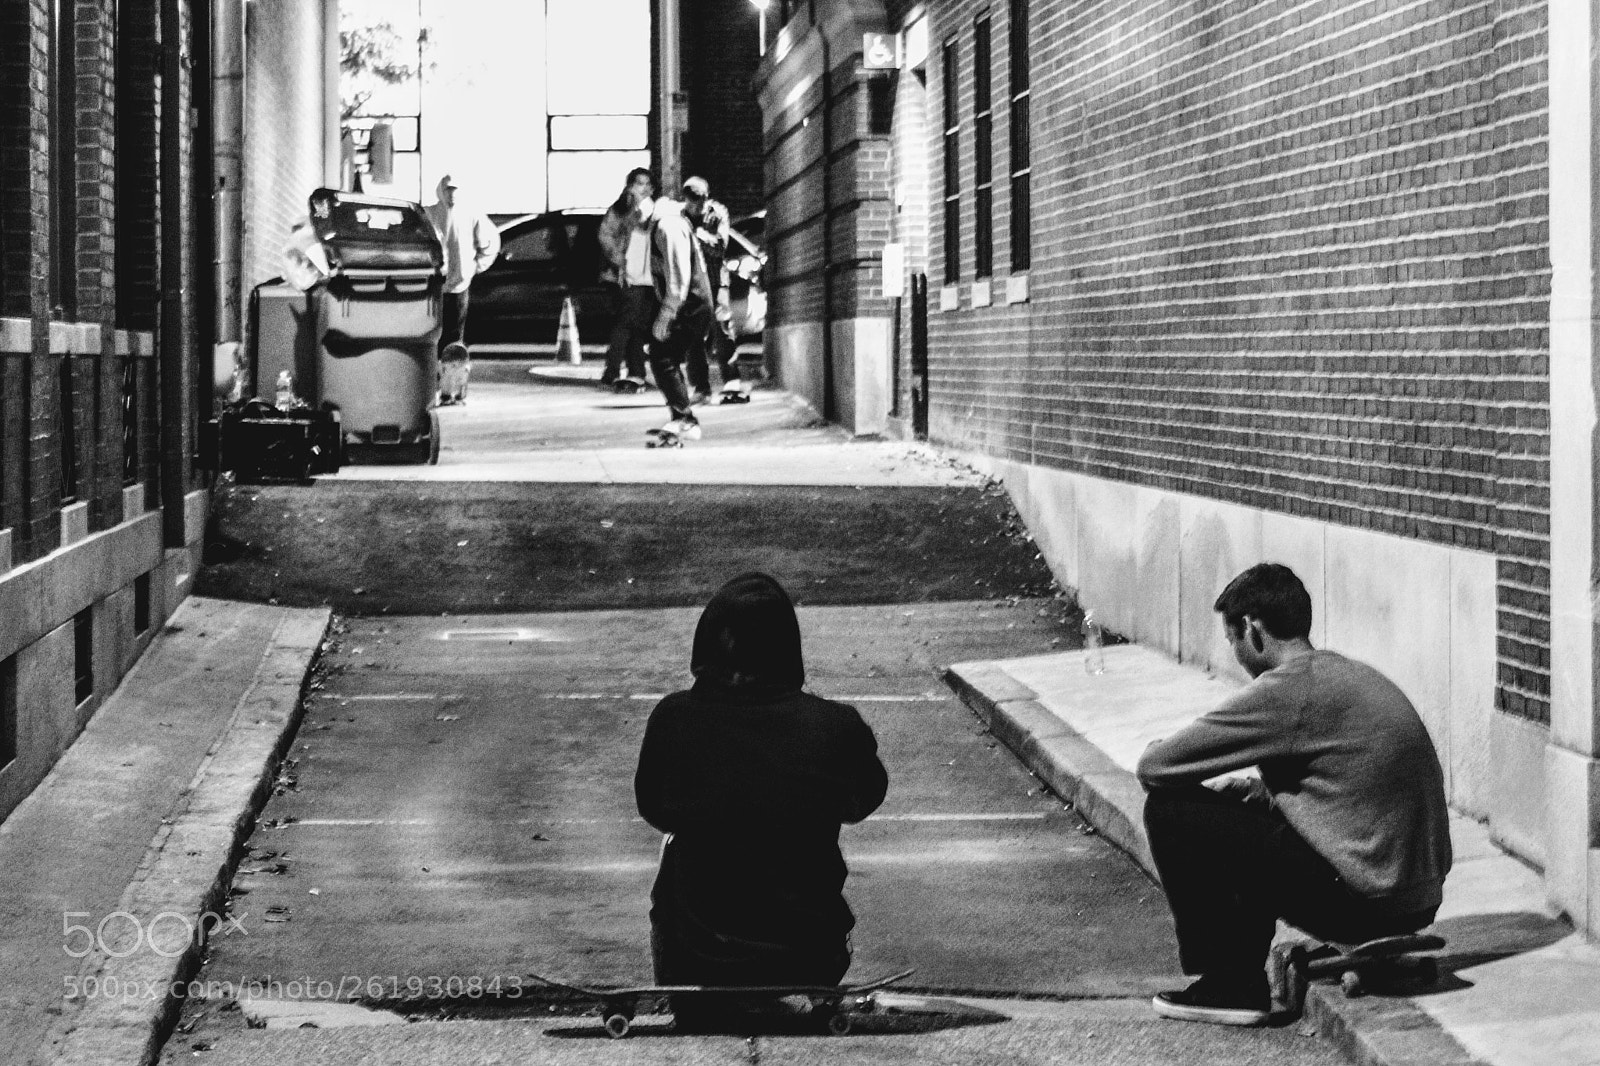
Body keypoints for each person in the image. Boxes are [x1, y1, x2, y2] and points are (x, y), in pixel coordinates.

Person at [1135, 562, 1452, 1027]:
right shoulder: (1347, 675)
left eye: (1232, 640)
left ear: (1252, 628)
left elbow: (1157, 767)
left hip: (1366, 905)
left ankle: (1232, 982)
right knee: (1239, 816)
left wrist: (1159, 752)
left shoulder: (1288, 689)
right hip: (1415, 900)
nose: (1236, 656)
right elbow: (1343, 790)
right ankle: (1241, 971)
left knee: (1171, 810)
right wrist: (1255, 791)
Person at [635, 572, 888, 1007]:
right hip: (808, 953)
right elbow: (861, 801)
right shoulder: (835, 725)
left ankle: (695, 976)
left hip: (697, 958)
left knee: (674, 841)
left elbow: (655, 808)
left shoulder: (673, 718)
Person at [422, 174, 500, 404]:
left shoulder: (472, 215)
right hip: (433, 287)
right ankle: (432, 387)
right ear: (441, 191)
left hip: (458, 287)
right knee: (432, 337)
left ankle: (452, 388)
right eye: (448, 189)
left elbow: (490, 242)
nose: (451, 194)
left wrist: (475, 267)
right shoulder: (429, 214)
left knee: (454, 342)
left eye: (455, 189)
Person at [644, 194, 715, 441]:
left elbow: (678, 276)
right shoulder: (668, 223)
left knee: (662, 355)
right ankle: (681, 416)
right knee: (666, 355)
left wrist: (667, 313)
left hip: (689, 304)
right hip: (692, 303)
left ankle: (685, 419)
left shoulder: (667, 225)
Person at [679, 176, 740, 403]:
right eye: (693, 200)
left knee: (722, 329)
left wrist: (699, 235)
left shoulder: (717, 213)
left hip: (717, 282)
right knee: (692, 336)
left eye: (702, 199)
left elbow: (721, 246)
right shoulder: (679, 217)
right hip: (691, 284)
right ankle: (700, 387)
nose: (698, 205)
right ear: (685, 199)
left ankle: (731, 380)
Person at [598, 168, 656, 391]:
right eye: (639, 183)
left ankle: (636, 372)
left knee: (638, 325)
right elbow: (606, 236)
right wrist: (620, 262)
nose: (644, 188)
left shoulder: (653, 209)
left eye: (648, 184)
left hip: (646, 276)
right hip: (625, 276)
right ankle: (612, 370)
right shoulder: (622, 208)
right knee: (627, 322)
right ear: (630, 185)